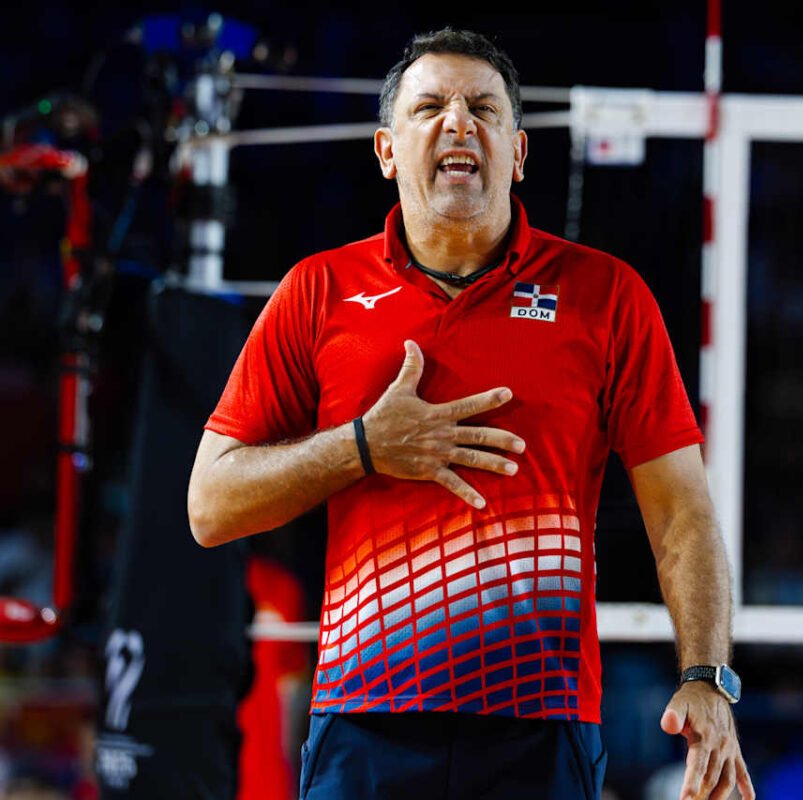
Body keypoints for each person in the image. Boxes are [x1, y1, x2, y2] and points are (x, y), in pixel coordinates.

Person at [187, 27, 753, 800]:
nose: (459, 123)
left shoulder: (606, 295)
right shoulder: (318, 292)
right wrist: (362, 446)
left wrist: (708, 679)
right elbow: (209, 504)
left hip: (542, 724)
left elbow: (683, 511)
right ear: (387, 150)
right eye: (430, 108)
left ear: (518, 152)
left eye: (482, 107)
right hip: (364, 721)